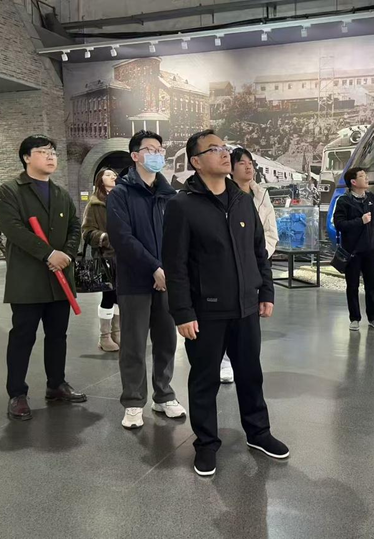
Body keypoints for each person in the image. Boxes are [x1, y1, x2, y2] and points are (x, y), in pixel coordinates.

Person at [163, 130, 289, 477]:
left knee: (250, 374)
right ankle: (206, 444)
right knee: (205, 380)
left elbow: (258, 251)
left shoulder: (242, 200)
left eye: (225, 148)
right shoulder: (182, 205)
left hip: (246, 307)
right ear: (196, 161)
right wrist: (183, 312)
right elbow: (175, 265)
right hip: (206, 311)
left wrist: (265, 291)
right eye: (214, 149)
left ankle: (258, 433)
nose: (224, 153)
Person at [0, 135, 87, 421]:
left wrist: (67, 254)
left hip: (60, 278)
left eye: (53, 153)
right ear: (26, 157)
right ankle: (17, 393)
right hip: (28, 279)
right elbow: (13, 229)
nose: (50, 157)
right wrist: (48, 254)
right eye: (43, 152)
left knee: (58, 335)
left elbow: (75, 226)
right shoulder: (10, 190)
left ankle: (56, 385)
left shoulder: (60, 193)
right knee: (23, 336)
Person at [107, 130, 186, 429]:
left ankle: (163, 395)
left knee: (166, 340)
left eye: (160, 149)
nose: (157, 154)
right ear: (135, 155)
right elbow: (122, 237)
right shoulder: (121, 193)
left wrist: (168, 270)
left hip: (166, 281)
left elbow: (178, 237)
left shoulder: (169, 195)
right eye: (150, 149)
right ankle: (133, 400)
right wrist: (154, 267)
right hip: (135, 281)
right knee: (134, 344)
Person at [219, 147, 278, 384]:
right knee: (230, 313)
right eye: (242, 163)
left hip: (257, 261)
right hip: (231, 266)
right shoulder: (223, 195)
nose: (248, 167)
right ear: (231, 168)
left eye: (250, 162)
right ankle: (225, 361)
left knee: (250, 317)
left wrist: (260, 254)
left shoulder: (261, 194)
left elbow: (270, 231)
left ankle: (244, 362)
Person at [333, 167, 374, 332]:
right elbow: (339, 224)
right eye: (362, 176)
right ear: (353, 182)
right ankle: (354, 318)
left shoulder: (372, 199)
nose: (366, 178)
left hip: (370, 251)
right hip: (352, 252)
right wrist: (360, 221)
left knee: (371, 285)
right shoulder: (344, 201)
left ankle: (373, 317)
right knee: (352, 286)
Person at [82, 168, 120, 353]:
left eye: (114, 174)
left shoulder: (122, 199)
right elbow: (87, 231)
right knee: (109, 295)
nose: (113, 176)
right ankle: (104, 337)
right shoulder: (94, 204)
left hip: (124, 257)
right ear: (100, 180)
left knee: (120, 296)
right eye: (108, 174)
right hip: (106, 257)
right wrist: (105, 238)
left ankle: (117, 333)